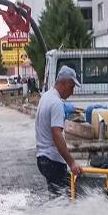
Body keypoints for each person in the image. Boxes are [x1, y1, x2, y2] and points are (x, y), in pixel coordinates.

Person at [35, 65, 83, 195]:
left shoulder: (45, 97)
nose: (72, 92)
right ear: (64, 82)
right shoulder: (56, 103)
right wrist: (71, 162)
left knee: (58, 198)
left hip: (42, 158)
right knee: (72, 196)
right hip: (52, 160)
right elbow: (57, 135)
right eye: (71, 87)